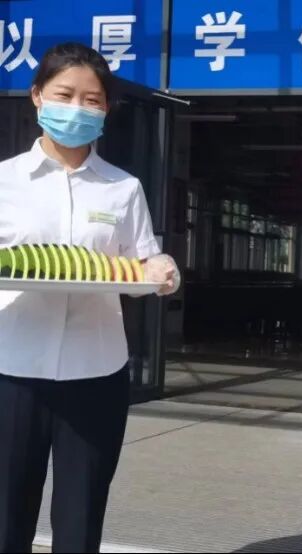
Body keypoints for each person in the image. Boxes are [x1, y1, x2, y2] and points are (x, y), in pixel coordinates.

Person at [0, 43, 179, 553]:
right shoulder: (4, 180)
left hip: (96, 370)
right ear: (37, 96)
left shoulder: (123, 188)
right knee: (5, 515)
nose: (77, 108)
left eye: (92, 100)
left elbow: (143, 261)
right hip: (12, 367)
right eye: (65, 95)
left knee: (80, 519)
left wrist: (162, 270)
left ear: (106, 110)